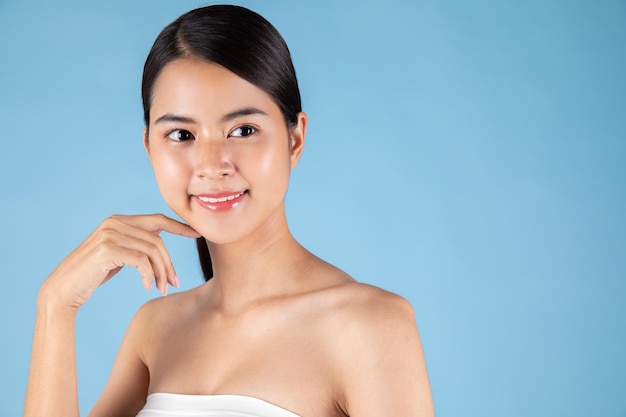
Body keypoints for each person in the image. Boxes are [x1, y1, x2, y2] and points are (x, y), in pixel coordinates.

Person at [24, 5, 434, 417]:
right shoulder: (155, 328)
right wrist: (56, 305)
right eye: (181, 134)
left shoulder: (368, 326)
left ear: (295, 140)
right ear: (149, 146)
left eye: (243, 131)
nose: (212, 164)